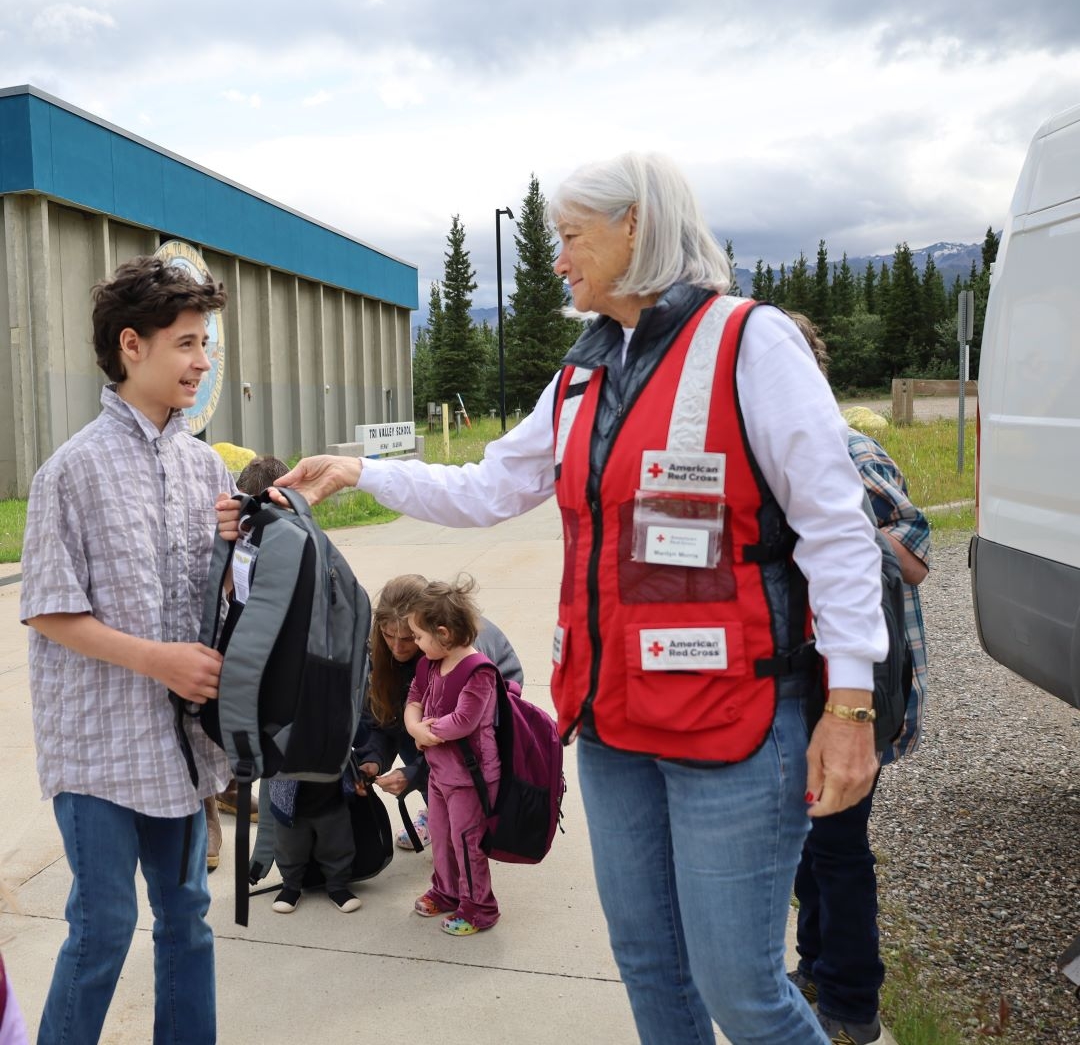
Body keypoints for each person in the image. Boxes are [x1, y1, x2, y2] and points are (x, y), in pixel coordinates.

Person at [217, 152, 886, 1044]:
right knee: (650, 964)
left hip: (738, 722)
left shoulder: (750, 343)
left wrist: (850, 705)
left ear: (636, 227)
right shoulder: (582, 374)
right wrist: (361, 470)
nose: (559, 259)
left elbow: (836, 529)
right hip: (613, 725)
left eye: (572, 237)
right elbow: (491, 487)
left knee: (744, 991)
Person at [22, 255, 233, 1044]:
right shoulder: (69, 471)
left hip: (179, 746)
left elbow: (215, 600)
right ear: (131, 345)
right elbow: (47, 610)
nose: (202, 362)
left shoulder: (204, 465)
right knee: (103, 925)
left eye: (204, 342)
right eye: (185, 343)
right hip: (99, 747)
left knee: (187, 921)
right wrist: (157, 660)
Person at [786, 313, 930, 1045]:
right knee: (810, 847)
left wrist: (834, 524)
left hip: (852, 694)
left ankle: (851, 1004)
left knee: (837, 849)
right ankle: (814, 966)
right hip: (808, 687)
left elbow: (914, 553)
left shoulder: (846, 451)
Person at [353, 573, 524, 851]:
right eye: (388, 635)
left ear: (435, 630)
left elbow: (460, 738)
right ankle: (437, 805)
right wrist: (372, 759)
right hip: (437, 714)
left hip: (490, 704)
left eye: (408, 638)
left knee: (428, 736)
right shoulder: (379, 652)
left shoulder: (458, 658)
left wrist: (414, 773)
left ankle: (475, 808)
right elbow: (383, 720)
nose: (397, 647)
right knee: (411, 723)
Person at [202, 455, 288, 871]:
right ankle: (212, 803)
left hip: (266, 645)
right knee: (208, 716)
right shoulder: (227, 533)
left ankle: (232, 788)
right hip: (225, 642)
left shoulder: (292, 535)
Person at [404, 577, 501, 936]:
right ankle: (446, 891)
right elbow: (414, 698)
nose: (415, 643)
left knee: (466, 842)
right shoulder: (431, 663)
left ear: (442, 633)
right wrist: (415, 728)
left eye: (418, 635)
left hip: (469, 779)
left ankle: (479, 908)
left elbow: (464, 721)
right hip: (439, 773)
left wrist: (427, 733)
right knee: (442, 836)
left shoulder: (479, 670)